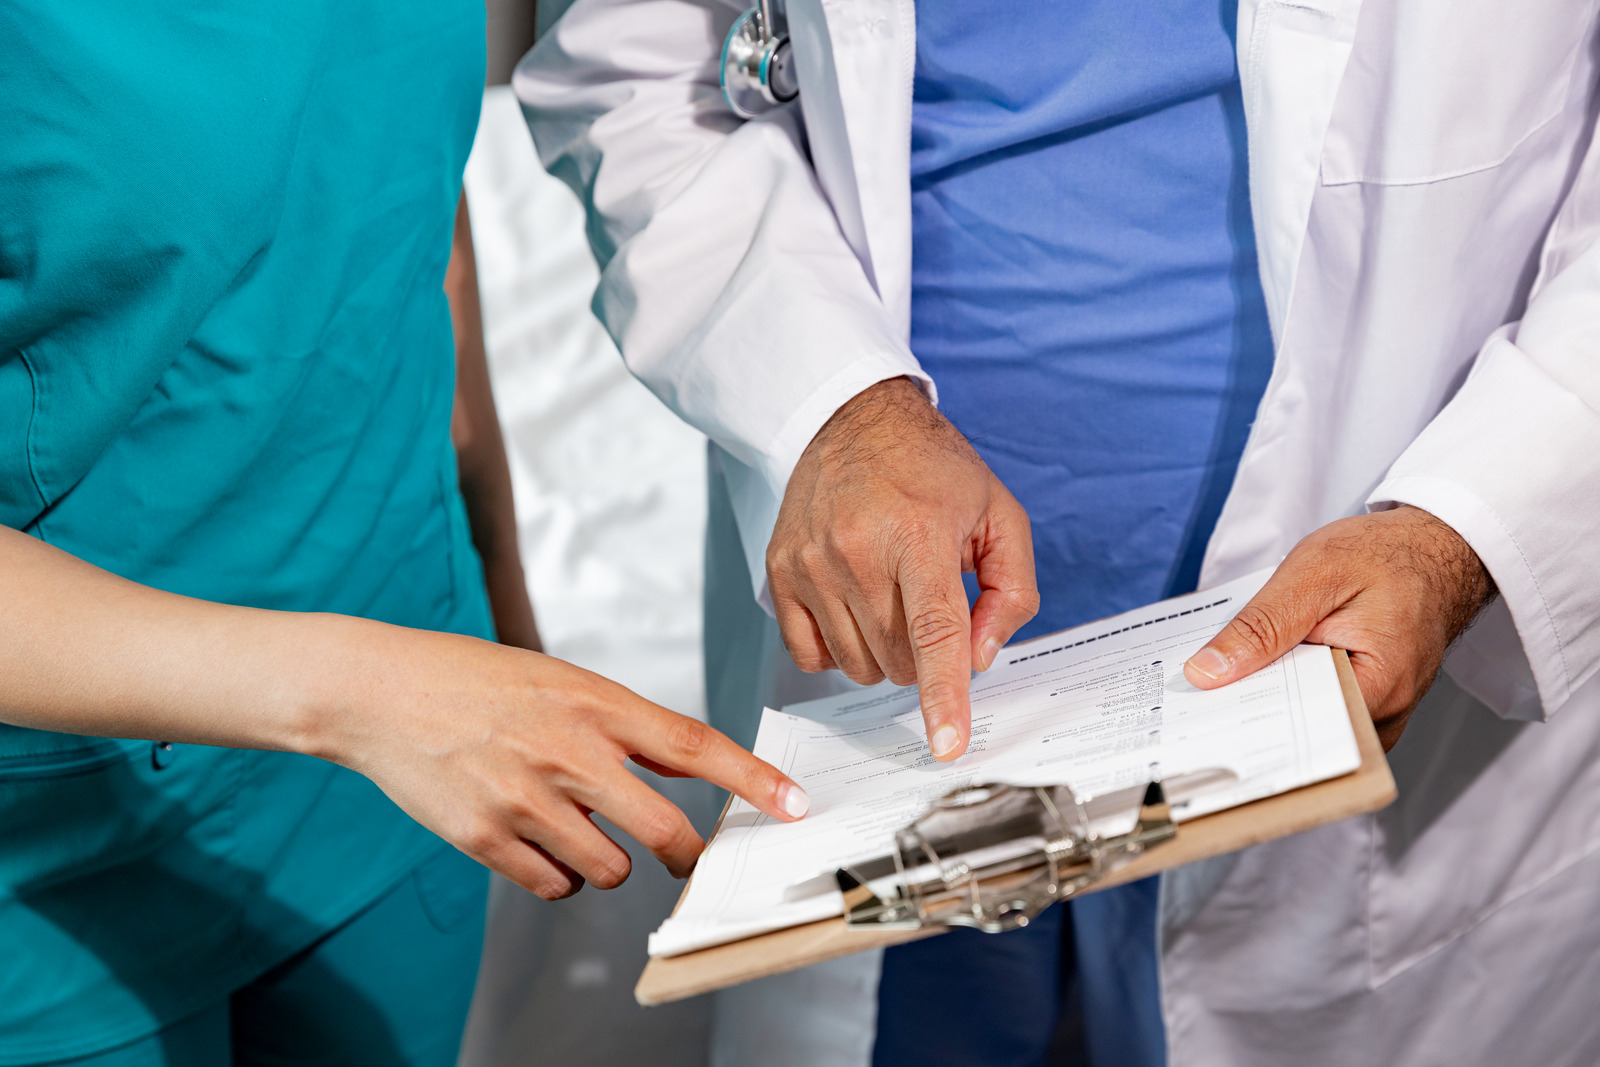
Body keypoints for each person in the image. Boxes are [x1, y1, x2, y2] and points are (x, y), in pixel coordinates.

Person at [515, 0, 1600, 1064]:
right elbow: (633, 68)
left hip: (1376, 587)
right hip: (894, 652)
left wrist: (1460, 533)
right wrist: (832, 409)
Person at [0, 3, 808, 1064]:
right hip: (62, 845)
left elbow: (414, 227)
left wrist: (503, 610)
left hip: (398, 771)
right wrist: (372, 694)